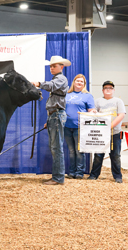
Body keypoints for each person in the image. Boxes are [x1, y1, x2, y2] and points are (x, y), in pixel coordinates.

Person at [32, 55, 71, 185]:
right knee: (55, 147)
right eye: (50, 66)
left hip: (57, 115)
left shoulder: (61, 79)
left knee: (57, 147)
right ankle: (56, 176)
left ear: (61, 67)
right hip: (54, 116)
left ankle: (58, 178)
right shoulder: (57, 79)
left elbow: (50, 86)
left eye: (54, 66)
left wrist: (38, 84)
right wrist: (49, 119)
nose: (51, 68)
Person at [88, 80, 126, 183]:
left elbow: (121, 115)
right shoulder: (98, 101)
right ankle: (94, 175)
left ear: (113, 90)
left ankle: (118, 176)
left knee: (115, 156)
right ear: (102, 90)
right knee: (98, 155)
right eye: (106, 88)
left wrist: (110, 126)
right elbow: (92, 113)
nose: (108, 90)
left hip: (115, 133)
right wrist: (92, 111)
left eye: (110, 88)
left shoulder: (118, 101)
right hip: (101, 134)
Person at [64, 74, 96, 179]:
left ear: (84, 84)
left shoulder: (87, 96)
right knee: (71, 151)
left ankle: (79, 173)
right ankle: (72, 172)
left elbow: (91, 110)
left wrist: (94, 112)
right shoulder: (67, 95)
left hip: (80, 127)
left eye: (81, 81)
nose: (79, 83)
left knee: (79, 151)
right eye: (77, 81)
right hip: (66, 127)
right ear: (74, 82)